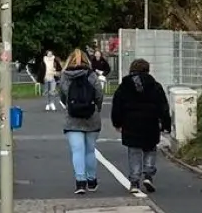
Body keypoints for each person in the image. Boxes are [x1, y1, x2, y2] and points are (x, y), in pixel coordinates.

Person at [111, 58, 172, 195]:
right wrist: (166, 123)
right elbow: (163, 106)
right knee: (150, 148)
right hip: (150, 122)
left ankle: (134, 181)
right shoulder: (155, 86)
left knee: (134, 152)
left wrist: (117, 122)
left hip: (130, 123)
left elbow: (117, 105)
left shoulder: (124, 86)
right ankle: (148, 174)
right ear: (147, 70)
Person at [58, 48, 104, 194]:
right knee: (90, 151)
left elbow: (63, 96)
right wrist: (97, 108)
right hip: (91, 117)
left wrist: (70, 105)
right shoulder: (91, 75)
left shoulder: (65, 76)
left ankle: (80, 182)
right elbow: (99, 94)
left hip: (72, 118)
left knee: (77, 151)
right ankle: (92, 180)